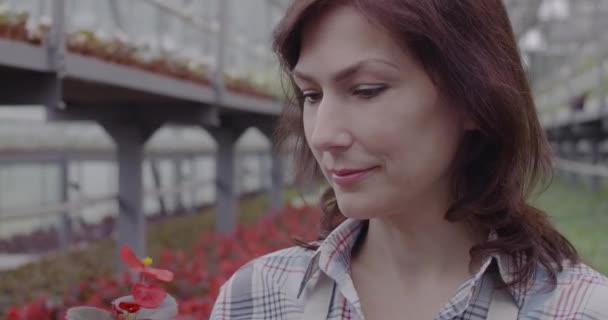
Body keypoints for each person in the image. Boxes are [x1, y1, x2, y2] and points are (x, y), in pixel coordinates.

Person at [210, 0, 608, 319]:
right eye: (311, 95)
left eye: (366, 90)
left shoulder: (575, 310)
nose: (323, 135)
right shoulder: (258, 299)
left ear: (473, 99)